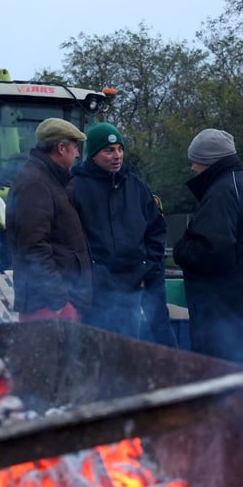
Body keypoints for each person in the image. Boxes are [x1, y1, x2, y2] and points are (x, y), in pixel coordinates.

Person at [173, 128, 243, 370]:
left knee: (222, 390)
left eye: (195, 161)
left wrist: (182, 249)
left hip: (224, 316)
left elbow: (211, 253)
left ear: (209, 161)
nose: (192, 168)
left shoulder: (221, 193)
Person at [70, 122, 177, 347]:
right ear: (93, 155)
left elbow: (156, 229)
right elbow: (70, 239)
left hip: (132, 286)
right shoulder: (76, 188)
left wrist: (148, 265)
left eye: (119, 149)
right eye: (108, 150)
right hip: (96, 291)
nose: (116, 155)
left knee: (128, 349)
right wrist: (93, 272)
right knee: (98, 350)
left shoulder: (136, 186)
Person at [5, 117, 92, 322]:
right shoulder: (35, 184)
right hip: (47, 306)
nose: (78, 154)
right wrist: (58, 300)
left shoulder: (49, 180)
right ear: (61, 148)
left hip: (56, 302)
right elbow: (33, 247)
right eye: (75, 148)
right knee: (48, 354)